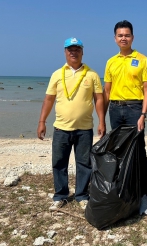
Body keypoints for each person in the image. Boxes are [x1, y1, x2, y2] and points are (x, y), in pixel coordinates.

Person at [37, 37, 106, 212]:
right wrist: (42, 121)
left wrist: (102, 121)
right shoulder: (57, 74)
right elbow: (49, 99)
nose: (73, 52)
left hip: (84, 129)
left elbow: (99, 99)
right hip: (61, 128)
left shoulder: (92, 75)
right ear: (65, 52)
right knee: (59, 163)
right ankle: (60, 195)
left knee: (84, 163)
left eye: (77, 49)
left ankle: (82, 195)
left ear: (82, 52)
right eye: (70, 49)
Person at [103, 20, 147, 215]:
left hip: (134, 109)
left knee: (138, 151)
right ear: (115, 38)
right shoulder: (111, 61)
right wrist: (101, 119)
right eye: (120, 35)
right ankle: (123, 192)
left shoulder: (143, 60)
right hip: (115, 109)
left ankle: (144, 196)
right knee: (117, 151)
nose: (123, 38)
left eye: (127, 35)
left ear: (132, 37)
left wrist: (143, 114)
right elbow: (106, 92)